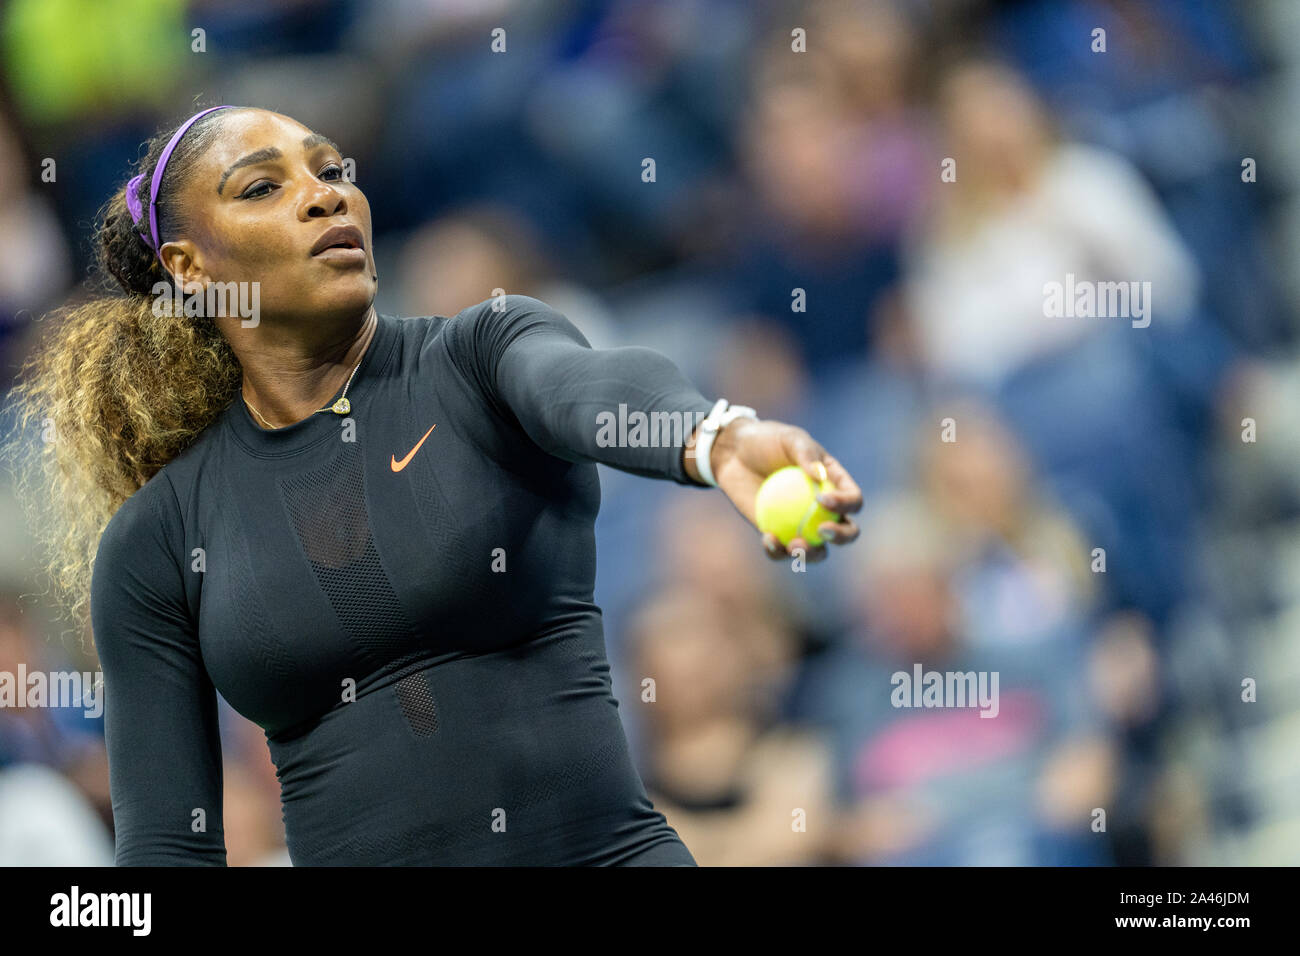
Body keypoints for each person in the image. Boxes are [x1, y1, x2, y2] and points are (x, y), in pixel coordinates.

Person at [9, 105, 862, 865]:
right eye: (263, 187)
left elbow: (590, 387)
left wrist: (712, 437)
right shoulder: (156, 542)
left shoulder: (481, 358)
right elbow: (165, 851)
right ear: (191, 267)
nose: (325, 195)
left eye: (332, 170)